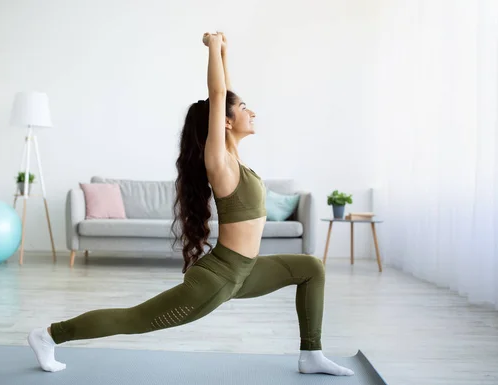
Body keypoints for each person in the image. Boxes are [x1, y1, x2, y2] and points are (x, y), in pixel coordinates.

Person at [27, 32, 354, 377]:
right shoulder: (220, 162)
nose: (252, 112)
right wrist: (213, 49)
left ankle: (311, 355)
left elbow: (223, 95)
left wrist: (226, 54)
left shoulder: (234, 158)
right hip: (218, 279)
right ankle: (49, 335)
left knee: (311, 268)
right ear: (225, 120)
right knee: (134, 319)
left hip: (246, 271)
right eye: (244, 108)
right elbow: (218, 96)